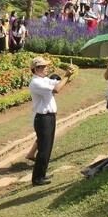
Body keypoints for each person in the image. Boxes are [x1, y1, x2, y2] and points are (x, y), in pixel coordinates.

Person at [29, 56, 72, 186]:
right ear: (36, 69)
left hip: (49, 117)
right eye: (44, 67)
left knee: (47, 147)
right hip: (43, 119)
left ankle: (42, 174)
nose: (46, 68)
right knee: (44, 148)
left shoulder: (44, 80)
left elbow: (56, 83)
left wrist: (67, 75)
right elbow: (57, 89)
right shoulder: (36, 83)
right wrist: (67, 76)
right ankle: (37, 178)